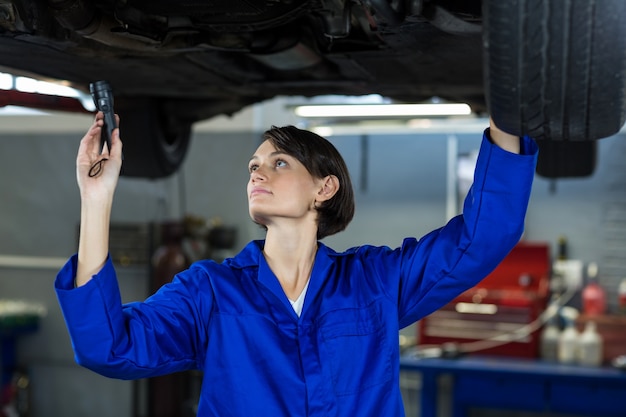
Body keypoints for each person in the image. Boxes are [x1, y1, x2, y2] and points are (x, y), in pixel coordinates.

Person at [55, 113, 538, 416]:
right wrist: (95, 201)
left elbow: (482, 237)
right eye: (253, 166)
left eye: (279, 162)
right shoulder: (211, 292)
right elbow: (109, 348)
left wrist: (509, 110)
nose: (257, 172)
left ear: (323, 188)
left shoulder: (374, 282)